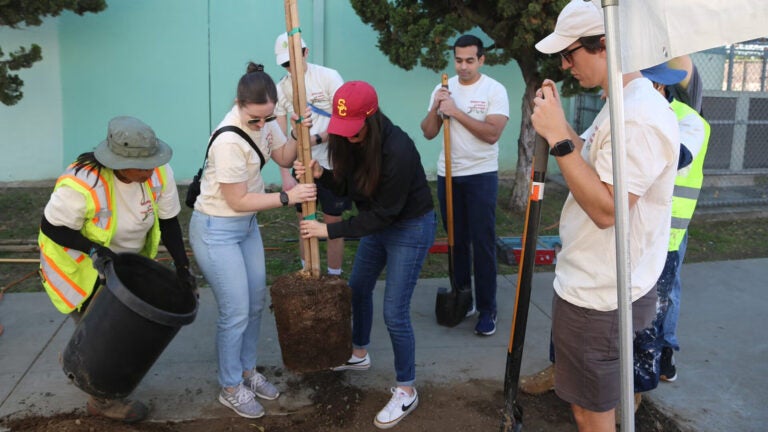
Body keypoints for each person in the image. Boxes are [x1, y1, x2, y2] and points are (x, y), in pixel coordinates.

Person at [530, 1, 679, 430]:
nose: (565, 64)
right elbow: (595, 169)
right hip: (594, 282)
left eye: (569, 53)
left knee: (590, 408)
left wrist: (559, 136)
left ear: (605, 44)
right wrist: (560, 127)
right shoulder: (621, 103)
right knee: (587, 401)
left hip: (604, 294)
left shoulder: (638, 117)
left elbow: (607, 209)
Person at [519, 54, 705, 398]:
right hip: (614, 244)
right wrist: (557, 124)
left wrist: (622, 126)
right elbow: (586, 152)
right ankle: (571, 373)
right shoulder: (620, 111)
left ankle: (631, 393)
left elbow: (655, 163)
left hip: (659, 242)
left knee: (644, 331)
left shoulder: (681, 121)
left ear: (658, 86)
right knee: (591, 336)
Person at [294, 81, 436, 429]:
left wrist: (330, 231)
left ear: (370, 119)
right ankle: (359, 354)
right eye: (343, 131)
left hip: (409, 227)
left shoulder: (398, 149)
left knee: (395, 311)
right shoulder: (351, 140)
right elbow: (350, 186)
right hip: (380, 221)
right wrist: (321, 175)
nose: (348, 138)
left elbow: (384, 214)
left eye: (354, 131)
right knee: (357, 287)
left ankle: (406, 389)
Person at [38, 116, 195, 423]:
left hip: (121, 264)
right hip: (78, 266)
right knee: (110, 337)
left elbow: (169, 222)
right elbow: (51, 226)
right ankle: (103, 400)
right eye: (142, 167)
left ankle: (77, 352)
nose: (150, 171)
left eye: (153, 162)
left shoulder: (158, 173)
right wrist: (96, 251)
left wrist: (183, 265)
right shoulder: (82, 183)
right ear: (118, 162)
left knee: (112, 328)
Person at [188, 62, 317, 419]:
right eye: (255, 121)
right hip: (217, 230)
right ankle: (230, 386)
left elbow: (283, 157)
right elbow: (237, 200)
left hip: (245, 228)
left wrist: (294, 133)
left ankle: (247, 372)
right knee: (235, 311)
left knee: (256, 304)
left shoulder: (267, 118)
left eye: (267, 118)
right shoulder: (229, 140)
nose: (262, 126)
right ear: (238, 104)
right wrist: (288, 197)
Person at [419, 34, 509, 336]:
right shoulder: (444, 88)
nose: (463, 66)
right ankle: (463, 296)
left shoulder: (494, 90)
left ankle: (487, 308)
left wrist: (457, 112)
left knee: (482, 243)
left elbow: (492, 133)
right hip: (449, 174)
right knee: (456, 241)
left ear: (481, 60)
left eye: (470, 60)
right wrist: (437, 107)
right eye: (458, 60)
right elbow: (428, 132)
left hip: (481, 175)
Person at [634, 62, 710, 392]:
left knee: (663, 298)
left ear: (658, 87)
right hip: (637, 225)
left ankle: (662, 353)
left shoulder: (689, 121)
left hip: (670, 231)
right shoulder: (631, 113)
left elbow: (671, 160)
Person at [273, 32, 351, 276]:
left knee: (332, 223)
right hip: (301, 167)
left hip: (332, 162)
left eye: (295, 60)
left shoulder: (328, 77)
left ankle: (334, 276)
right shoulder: (281, 89)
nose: (291, 68)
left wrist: (316, 138)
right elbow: (279, 138)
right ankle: (308, 273)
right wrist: (285, 175)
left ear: (306, 53)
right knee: (305, 224)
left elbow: (344, 120)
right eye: (286, 64)